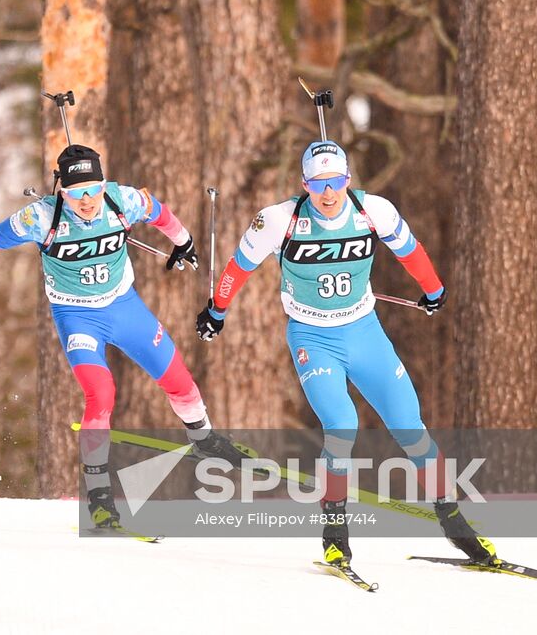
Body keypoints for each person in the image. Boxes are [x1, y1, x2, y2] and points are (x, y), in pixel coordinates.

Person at [196, 139, 496, 567]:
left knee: (410, 426)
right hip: (312, 338)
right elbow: (238, 266)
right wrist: (216, 311)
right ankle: (335, 532)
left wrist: (434, 290)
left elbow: (408, 250)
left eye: (335, 181)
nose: (328, 192)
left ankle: (452, 519)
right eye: (317, 184)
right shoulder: (280, 220)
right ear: (304, 185)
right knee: (341, 426)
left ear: (348, 180)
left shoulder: (374, 210)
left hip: (364, 331)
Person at [0, 144, 243, 533]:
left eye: (93, 189)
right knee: (101, 393)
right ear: (62, 191)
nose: (88, 201)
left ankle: (203, 439)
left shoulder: (121, 199)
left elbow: (159, 212)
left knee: (178, 378)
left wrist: (183, 242)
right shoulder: (40, 216)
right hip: (77, 317)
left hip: (124, 308)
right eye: (77, 193)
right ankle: (99, 494)